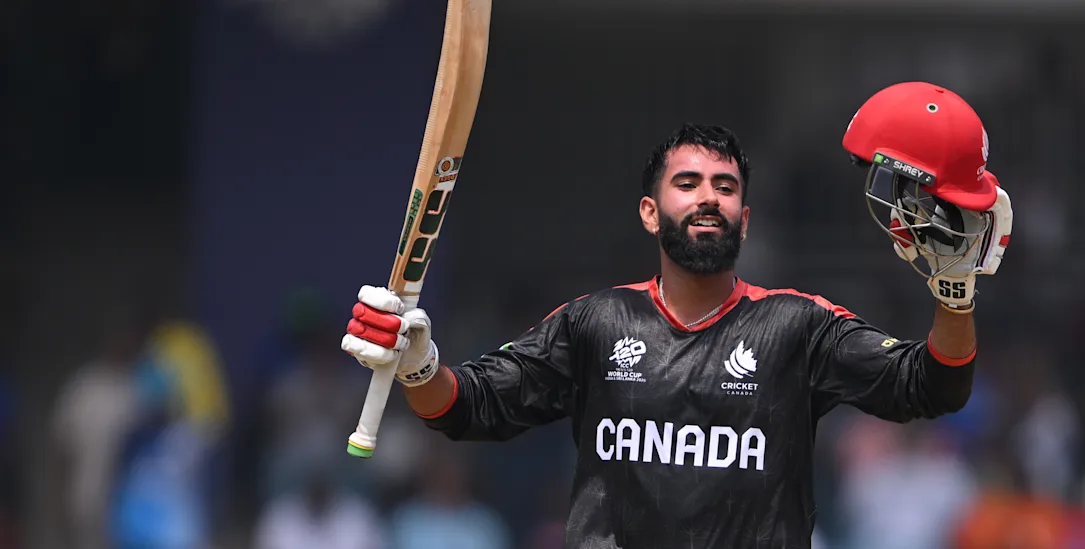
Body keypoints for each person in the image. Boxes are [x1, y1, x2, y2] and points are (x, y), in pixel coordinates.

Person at [341, 81, 1014, 548]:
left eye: (724, 188)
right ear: (648, 210)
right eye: (686, 184)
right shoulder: (593, 322)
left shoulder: (797, 326)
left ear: (744, 220)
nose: (707, 200)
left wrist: (953, 294)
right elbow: (467, 409)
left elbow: (934, 386)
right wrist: (415, 360)